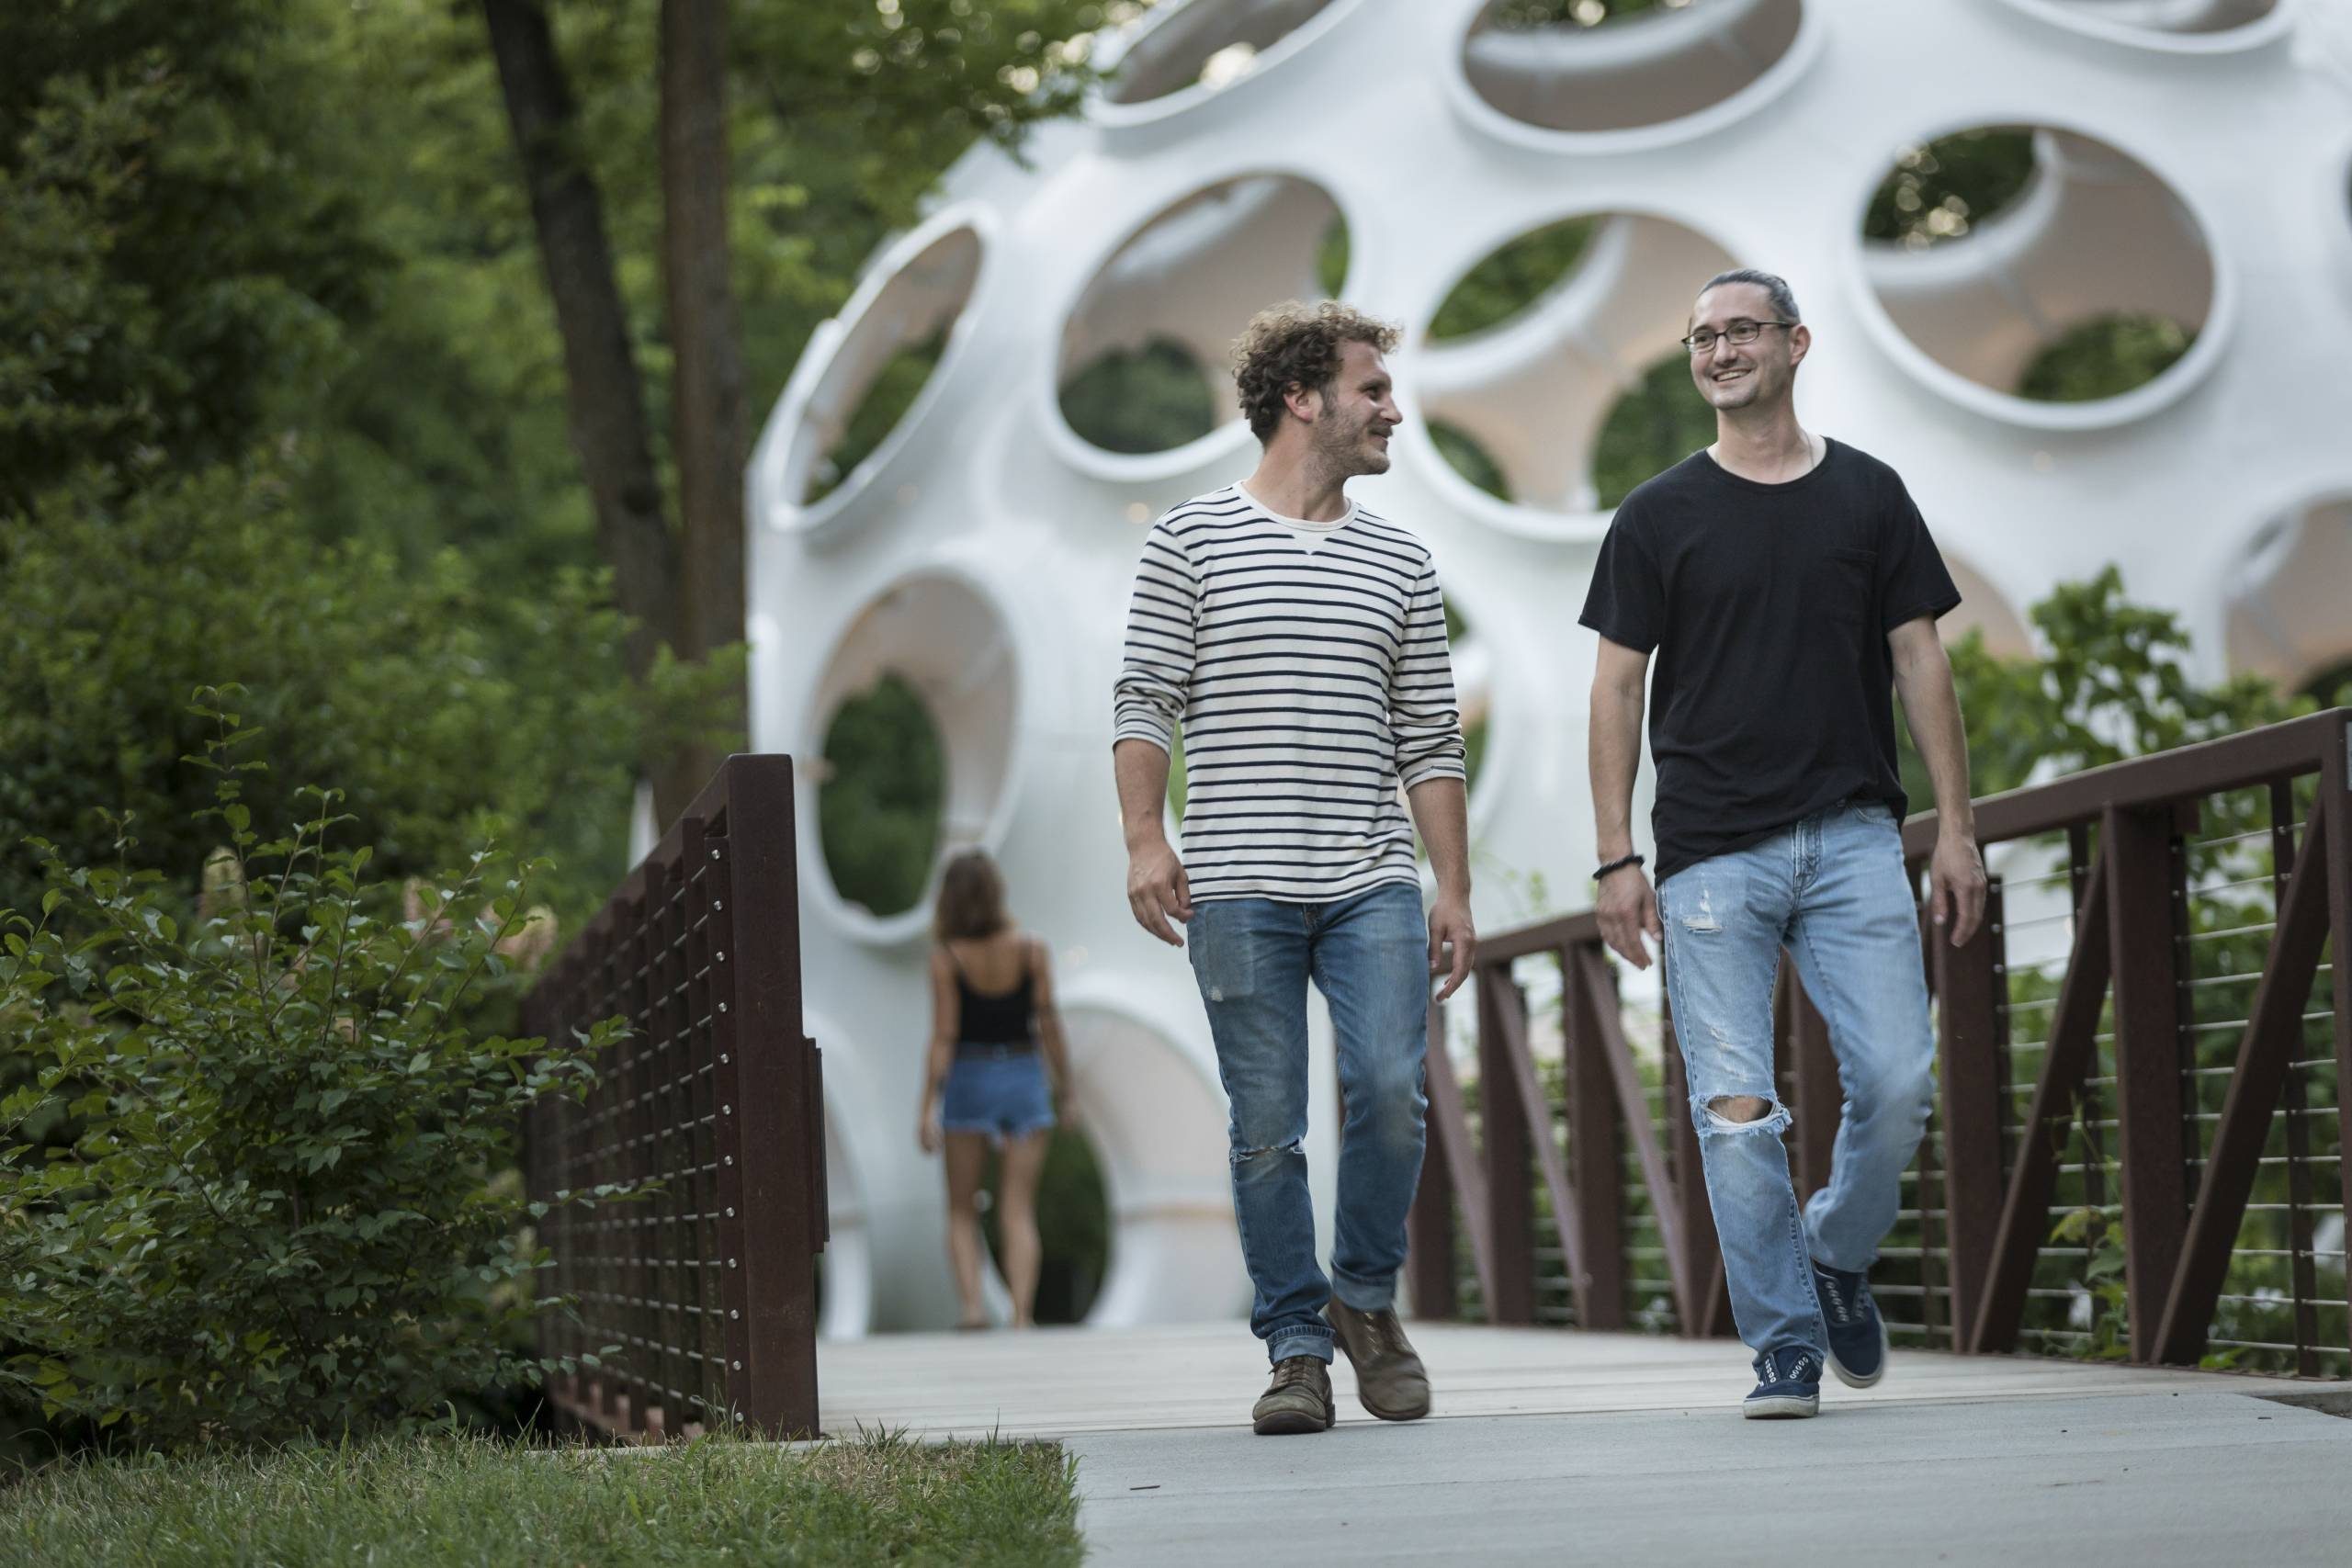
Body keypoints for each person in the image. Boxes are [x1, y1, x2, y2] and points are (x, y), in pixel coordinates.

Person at [1580, 267, 1988, 1418]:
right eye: (1701, 336)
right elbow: (1615, 691)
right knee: (1734, 1113)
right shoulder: (1656, 514)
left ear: (1795, 344)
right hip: (1710, 854)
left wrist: (1954, 830)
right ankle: (1784, 1346)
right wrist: (1615, 859)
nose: (1718, 351)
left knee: (1900, 1081)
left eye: (1741, 330)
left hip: (1856, 836)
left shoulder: (1867, 493)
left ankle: (1834, 1250)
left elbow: (1922, 661)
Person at [1111, 300, 1477, 1436]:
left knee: (1389, 1093)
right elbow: (1144, 701)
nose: (1392, 410)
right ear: (1301, 398)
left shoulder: (1400, 559)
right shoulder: (1190, 540)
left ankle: (1364, 1300)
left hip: (1370, 878)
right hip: (1236, 886)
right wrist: (1142, 840)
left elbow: (1430, 739)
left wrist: (1451, 887)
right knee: (1265, 1126)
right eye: (1372, 390)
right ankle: (1296, 1350)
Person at [915, 850, 1074, 1330]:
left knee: (962, 1210)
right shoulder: (1032, 951)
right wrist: (1065, 1089)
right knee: (1017, 1208)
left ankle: (972, 1309)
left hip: (970, 1080)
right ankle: (1022, 1314)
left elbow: (944, 1036)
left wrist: (926, 1107)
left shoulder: (947, 960)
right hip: (1024, 1078)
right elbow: (1049, 1024)